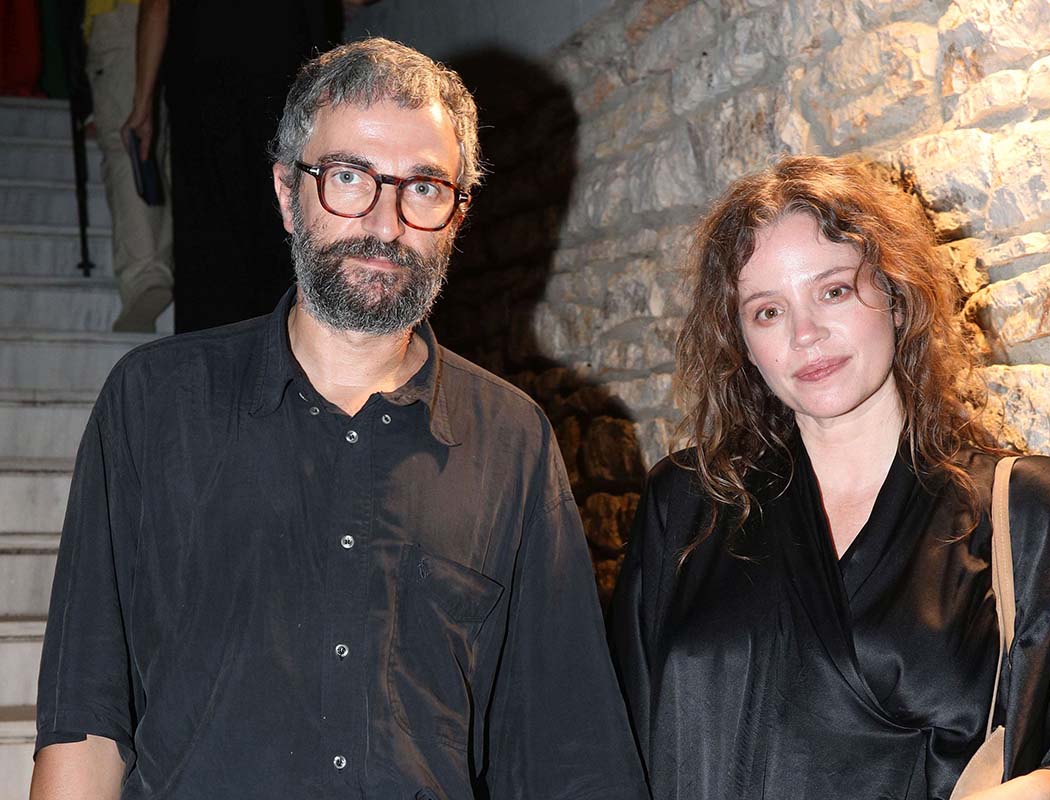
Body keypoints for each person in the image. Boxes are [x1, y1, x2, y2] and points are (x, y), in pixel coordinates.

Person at [32, 38, 647, 800]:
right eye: (349, 177)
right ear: (288, 194)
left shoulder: (512, 440)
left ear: (457, 214)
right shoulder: (152, 405)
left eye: (423, 186)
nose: (386, 226)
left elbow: (570, 752)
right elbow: (84, 723)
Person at [608, 155, 1050, 800]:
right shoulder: (687, 504)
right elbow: (614, 748)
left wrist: (1035, 792)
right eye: (767, 311)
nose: (805, 335)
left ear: (896, 298)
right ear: (742, 343)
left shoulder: (1028, 508)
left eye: (834, 291)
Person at [125, 0, 347, 333]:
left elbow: (157, 7)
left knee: (207, 230)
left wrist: (142, 104)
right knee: (281, 221)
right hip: (283, 69)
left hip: (202, 72)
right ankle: (284, 343)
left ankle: (207, 353)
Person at [84, 0, 173, 332]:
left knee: (129, 142)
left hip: (126, 15)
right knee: (160, 150)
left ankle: (145, 276)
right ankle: (162, 265)